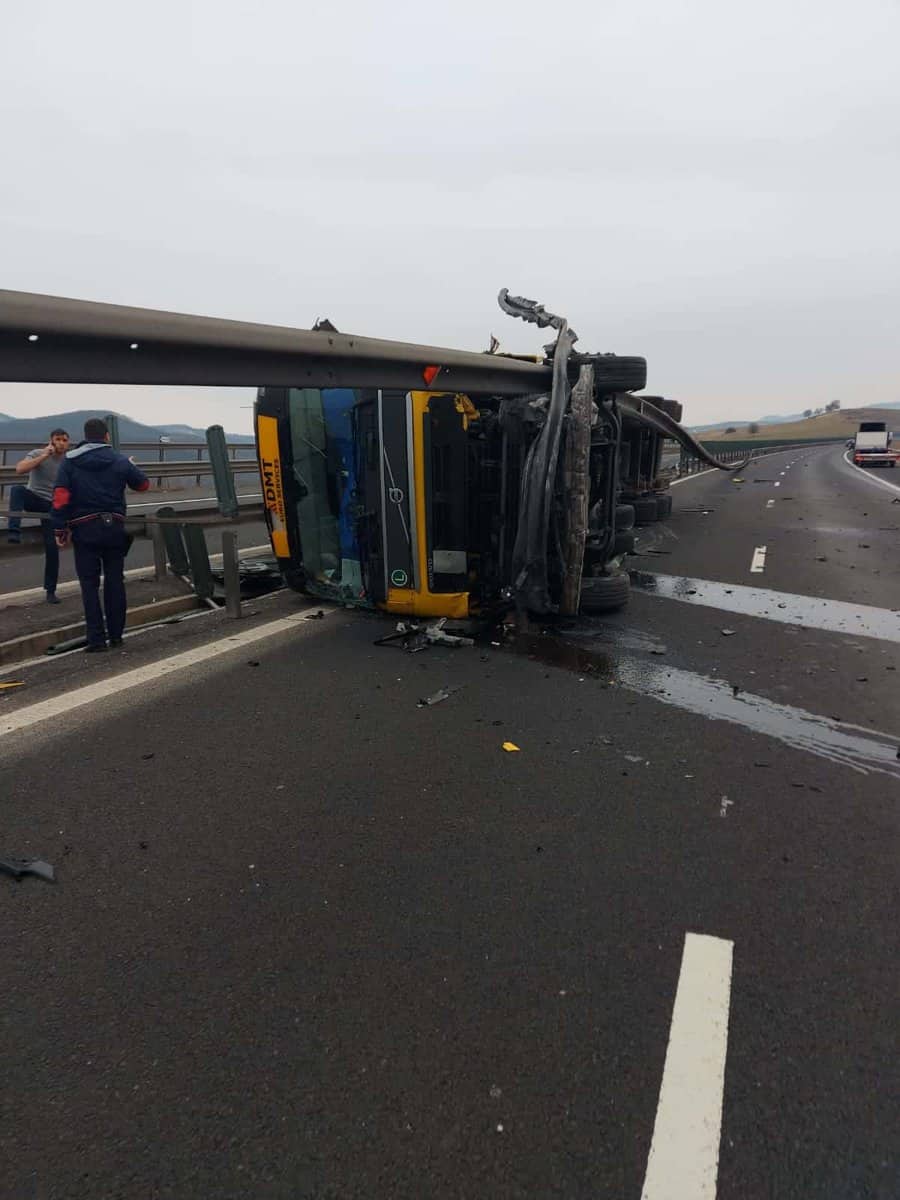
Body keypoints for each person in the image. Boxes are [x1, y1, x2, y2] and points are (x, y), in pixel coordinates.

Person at [52, 418, 150, 652]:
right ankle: (116, 636)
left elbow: (61, 496)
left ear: (84, 436)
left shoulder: (70, 461)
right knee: (115, 580)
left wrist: (59, 528)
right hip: (114, 528)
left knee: (89, 585)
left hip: (84, 529)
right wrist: (131, 466)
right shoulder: (119, 460)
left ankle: (96, 640)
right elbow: (143, 485)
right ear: (106, 437)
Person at [7, 428, 70, 603]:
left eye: (65, 440)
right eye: (58, 439)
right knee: (17, 490)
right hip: (35, 498)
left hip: (53, 507)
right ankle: (14, 530)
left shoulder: (69, 462)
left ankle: (50, 591)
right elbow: (20, 469)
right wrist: (44, 456)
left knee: (52, 548)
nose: (61, 443)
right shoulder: (37, 453)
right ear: (51, 441)